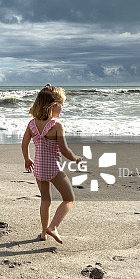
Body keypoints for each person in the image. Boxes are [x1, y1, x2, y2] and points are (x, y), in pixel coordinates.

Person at [21, 84, 82, 244]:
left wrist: (27, 159)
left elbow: (24, 143)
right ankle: (53, 226)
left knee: (45, 200)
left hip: (39, 168)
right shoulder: (56, 125)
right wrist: (75, 158)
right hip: (54, 168)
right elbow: (64, 150)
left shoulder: (32, 124)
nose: (62, 108)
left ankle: (43, 233)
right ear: (53, 106)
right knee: (69, 198)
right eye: (61, 104)